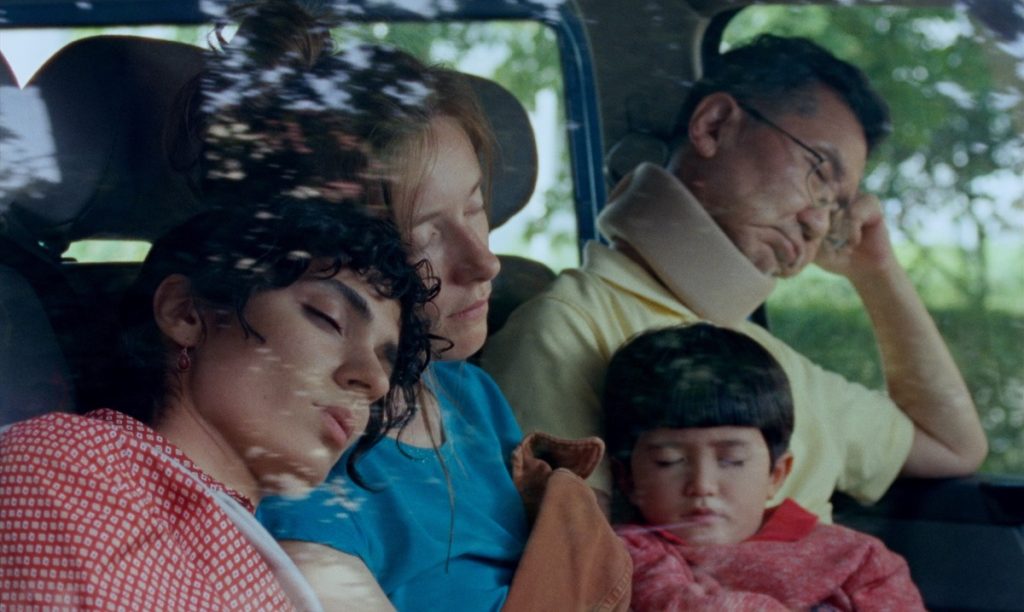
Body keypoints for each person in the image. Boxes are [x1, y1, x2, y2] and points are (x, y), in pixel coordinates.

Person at [194, 2, 629, 610]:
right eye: (425, 236)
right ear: (336, 256)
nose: (485, 262)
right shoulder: (314, 477)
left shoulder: (469, 394)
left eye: (476, 208)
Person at [481, 34, 988, 519]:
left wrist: (876, 270)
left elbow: (952, 446)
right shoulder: (569, 327)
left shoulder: (771, 360)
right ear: (715, 125)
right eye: (818, 172)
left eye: (837, 205)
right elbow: (579, 564)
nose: (819, 222)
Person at [0, 197, 435, 610]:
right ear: (186, 313)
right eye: (329, 319)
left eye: (386, 364)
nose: (375, 381)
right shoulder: (72, 464)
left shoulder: (258, 560)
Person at [606, 323, 926, 610]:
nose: (702, 485)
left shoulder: (858, 557)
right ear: (627, 479)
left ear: (777, 474)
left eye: (732, 460)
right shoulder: (627, 554)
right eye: (669, 461)